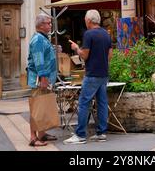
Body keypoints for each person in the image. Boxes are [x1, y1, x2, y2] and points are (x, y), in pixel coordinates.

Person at [63, 9, 112, 144]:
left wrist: (76, 48)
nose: (85, 21)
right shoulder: (106, 34)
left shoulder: (89, 34)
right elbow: (109, 55)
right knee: (102, 103)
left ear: (89, 20)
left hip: (92, 74)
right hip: (103, 73)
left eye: (85, 20)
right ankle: (101, 133)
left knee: (84, 103)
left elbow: (84, 55)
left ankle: (80, 135)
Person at [27, 13, 58, 147]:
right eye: (48, 23)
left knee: (42, 106)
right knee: (37, 108)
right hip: (40, 79)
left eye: (50, 23)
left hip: (44, 78)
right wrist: (44, 77)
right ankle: (33, 138)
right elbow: (39, 61)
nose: (50, 25)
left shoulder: (42, 38)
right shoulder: (39, 40)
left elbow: (44, 55)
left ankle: (42, 133)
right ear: (40, 25)